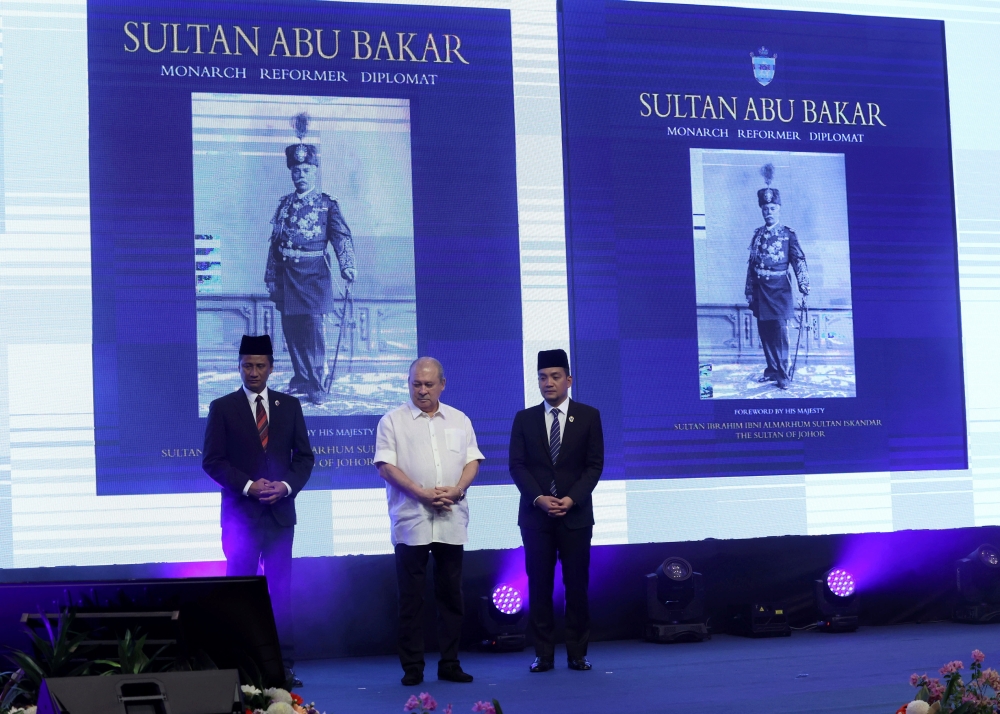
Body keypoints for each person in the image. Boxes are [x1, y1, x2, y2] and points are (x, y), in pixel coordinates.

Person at [202, 334, 315, 687]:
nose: (253, 372)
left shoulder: (290, 406)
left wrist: (285, 487)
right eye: (247, 365)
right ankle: (240, 666)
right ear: (239, 367)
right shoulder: (222, 407)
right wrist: (250, 486)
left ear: (271, 368)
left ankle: (284, 666)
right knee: (239, 593)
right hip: (241, 519)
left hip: (280, 516)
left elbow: (305, 458)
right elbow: (213, 461)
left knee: (281, 591)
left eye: (260, 366)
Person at [374, 357, 484, 686]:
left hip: (451, 517)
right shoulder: (392, 421)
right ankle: (413, 668)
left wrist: (459, 489)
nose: (422, 390)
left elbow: (472, 461)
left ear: (442, 384)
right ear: (408, 384)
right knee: (411, 599)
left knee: (451, 597)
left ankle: (450, 662)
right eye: (416, 384)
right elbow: (385, 466)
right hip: (411, 520)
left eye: (428, 384)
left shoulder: (460, 420)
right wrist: (420, 493)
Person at [508, 349, 604, 673]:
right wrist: (538, 498)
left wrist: (572, 499)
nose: (548, 383)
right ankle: (543, 654)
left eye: (555, 376)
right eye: (542, 377)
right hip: (536, 518)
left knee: (576, 586)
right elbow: (517, 466)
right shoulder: (524, 419)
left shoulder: (589, 416)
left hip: (575, 516)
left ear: (568, 380)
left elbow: (594, 466)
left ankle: (577, 653)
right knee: (539, 586)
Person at [265, 113, 357, 406]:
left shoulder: (327, 205)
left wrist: (347, 265)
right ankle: (301, 378)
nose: (300, 174)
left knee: (314, 333)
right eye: (296, 170)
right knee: (291, 331)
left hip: (315, 276)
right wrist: (270, 276)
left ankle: (317, 384)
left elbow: (342, 237)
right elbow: (274, 243)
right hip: (286, 277)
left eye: (306, 169)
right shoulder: (284, 204)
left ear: (314, 171)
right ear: (291, 172)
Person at [744, 166, 810, 390]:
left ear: (779, 209)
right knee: (765, 332)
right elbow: (751, 265)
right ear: (761, 210)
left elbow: (798, 260)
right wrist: (749, 290)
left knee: (780, 334)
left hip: (780, 289)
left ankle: (783, 374)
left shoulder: (788, 234)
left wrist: (804, 285)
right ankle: (771, 369)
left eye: (772, 208)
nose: (768, 212)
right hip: (761, 290)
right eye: (765, 208)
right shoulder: (757, 234)